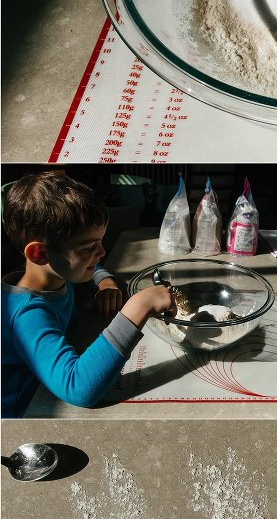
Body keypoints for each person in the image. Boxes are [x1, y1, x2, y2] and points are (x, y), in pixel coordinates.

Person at [2, 171, 175, 416]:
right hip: (25, 418)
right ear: (40, 254)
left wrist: (104, 283)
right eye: (89, 247)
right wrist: (139, 306)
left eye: (100, 241)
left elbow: (90, 269)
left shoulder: (54, 274)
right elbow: (79, 389)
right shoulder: (25, 316)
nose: (102, 251)